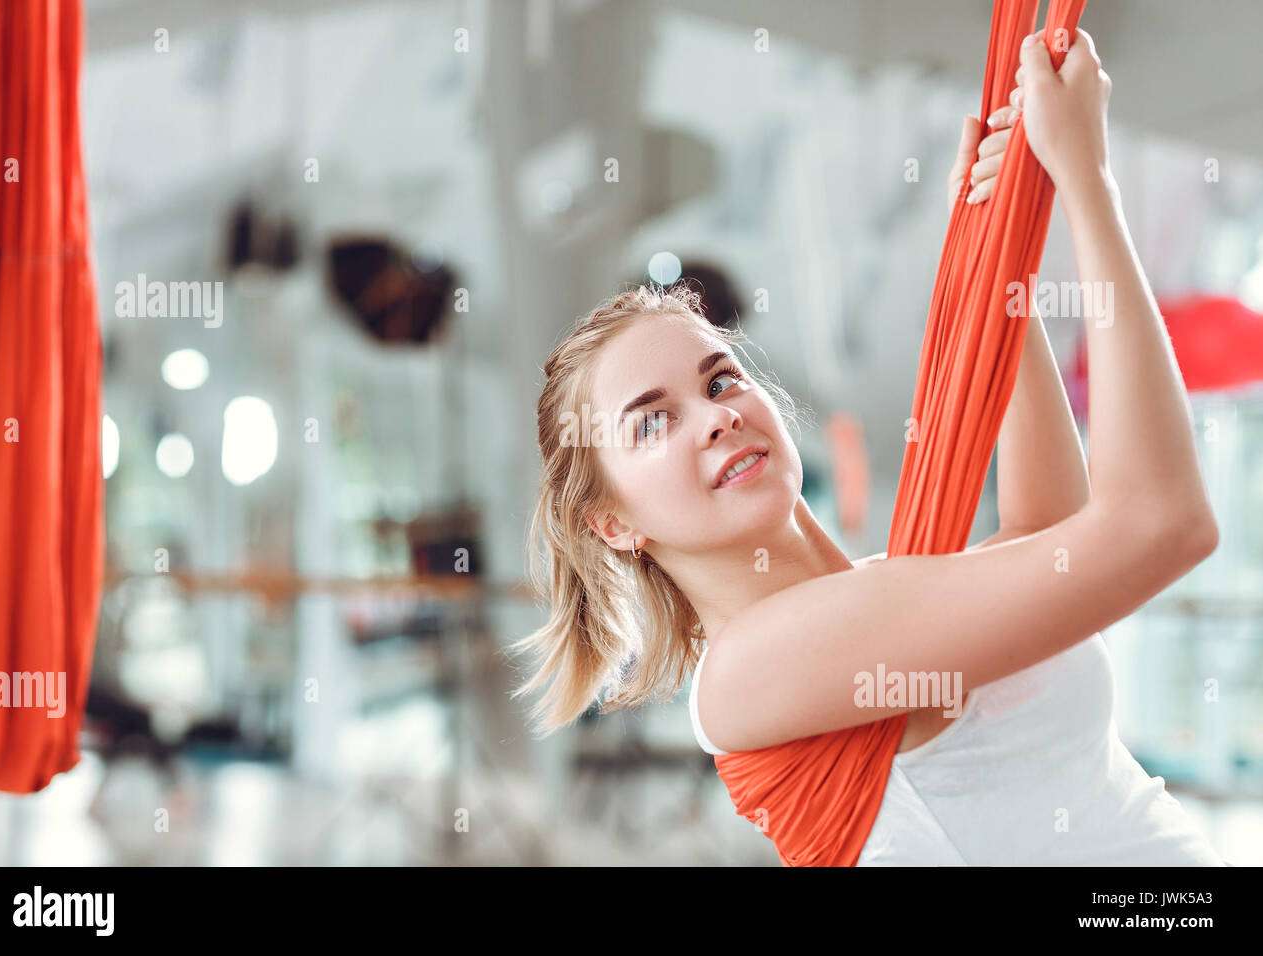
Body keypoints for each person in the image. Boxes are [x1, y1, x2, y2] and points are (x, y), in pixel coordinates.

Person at [509, 28, 1226, 865]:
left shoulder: (883, 597)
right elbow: (1160, 527)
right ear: (613, 523)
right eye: (651, 421)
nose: (714, 417)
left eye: (718, 380)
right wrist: (1088, 182)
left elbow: (1049, 538)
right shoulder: (751, 670)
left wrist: (998, 257)